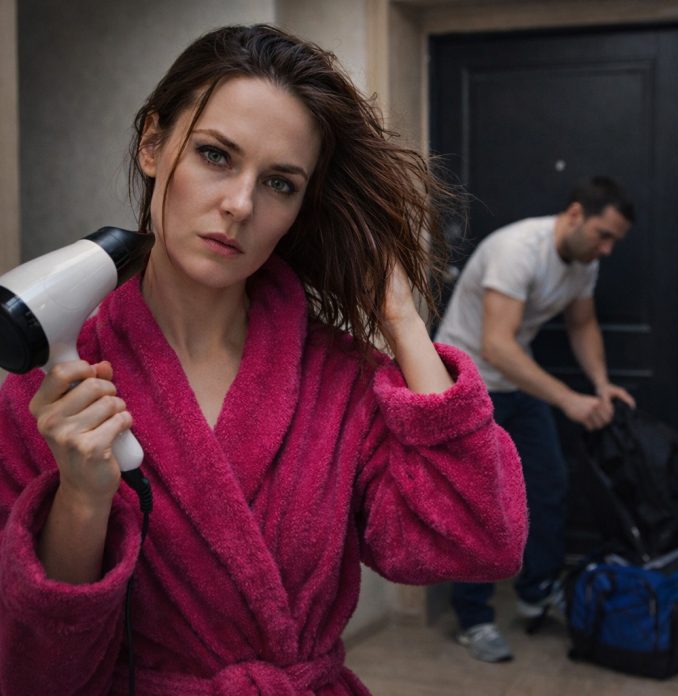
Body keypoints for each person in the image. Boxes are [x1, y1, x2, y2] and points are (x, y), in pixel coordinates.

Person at [0, 24, 528, 695]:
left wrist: (399, 316)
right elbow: (36, 676)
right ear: (153, 145)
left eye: (280, 183)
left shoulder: (340, 379)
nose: (240, 205)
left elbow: (479, 540)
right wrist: (81, 500)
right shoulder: (49, 397)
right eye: (215, 155)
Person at [436, 176, 636, 663]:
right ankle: (474, 618)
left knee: (548, 486)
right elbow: (496, 345)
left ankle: (537, 591)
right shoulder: (518, 250)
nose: (607, 249)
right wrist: (569, 400)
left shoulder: (583, 262)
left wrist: (601, 383)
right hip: (468, 382)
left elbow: (582, 323)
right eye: (603, 235)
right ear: (575, 215)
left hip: (515, 383)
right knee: (480, 502)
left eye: (614, 240)